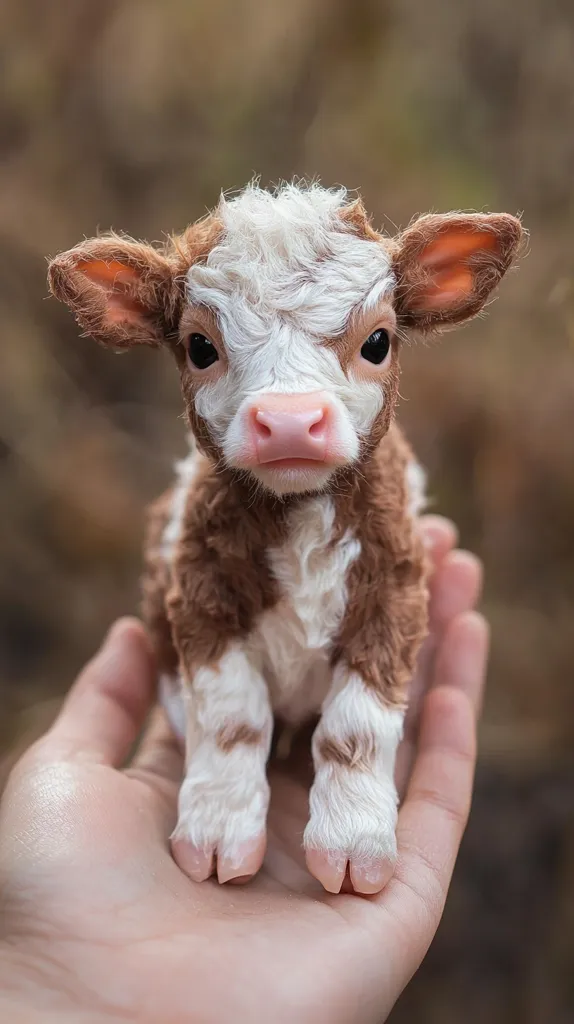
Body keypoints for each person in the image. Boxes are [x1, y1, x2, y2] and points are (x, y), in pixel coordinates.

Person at [0, 516, 487, 1023]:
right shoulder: (201, 518)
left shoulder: (377, 516)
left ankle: (349, 789)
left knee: (386, 587)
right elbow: (196, 606)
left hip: (334, 680)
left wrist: (47, 991)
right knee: (201, 573)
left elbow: (388, 608)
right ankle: (225, 796)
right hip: (223, 685)